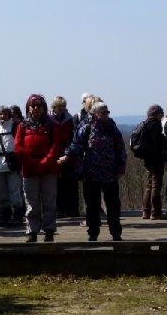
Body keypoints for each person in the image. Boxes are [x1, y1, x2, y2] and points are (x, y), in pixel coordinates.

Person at [62, 102, 126, 241]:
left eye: (107, 112)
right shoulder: (86, 128)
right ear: (95, 114)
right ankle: (93, 233)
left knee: (113, 204)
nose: (105, 115)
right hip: (91, 173)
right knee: (92, 205)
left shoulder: (112, 128)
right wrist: (70, 158)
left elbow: (120, 148)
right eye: (102, 112)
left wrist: (121, 168)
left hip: (110, 173)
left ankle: (116, 232)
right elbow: (76, 146)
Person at [14, 94, 61, 242]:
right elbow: (17, 147)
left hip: (48, 168)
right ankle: (32, 231)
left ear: (44, 107)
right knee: (31, 202)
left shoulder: (51, 124)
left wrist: (46, 161)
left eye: (39, 105)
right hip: (29, 169)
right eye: (33, 105)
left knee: (49, 201)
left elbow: (56, 145)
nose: (36, 108)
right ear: (28, 107)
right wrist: (31, 162)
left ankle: (49, 231)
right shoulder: (22, 125)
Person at [0, 106, 24, 227]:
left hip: (12, 166)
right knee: (1, 193)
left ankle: (18, 216)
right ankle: (5, 216)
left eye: (5, 114)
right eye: (0, 114)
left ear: (9, 115)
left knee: (15, 192)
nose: (3, 116)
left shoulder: (15, 128)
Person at [50, 96, 79, 218]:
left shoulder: (70, 120)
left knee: (71, 183)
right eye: (59, 106)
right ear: (54, 107)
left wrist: (67, 153)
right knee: (56, 184)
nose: (62, 109)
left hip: (69, 155)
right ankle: (58, 210)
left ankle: (72, 209)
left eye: (63, 106)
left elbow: (74, 138)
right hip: (53, 155)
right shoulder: (48, 120)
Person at [140, 104, 167, 220]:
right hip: (156, 159)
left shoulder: (146, 124)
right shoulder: (155, 125)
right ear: (157, 114)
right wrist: (165, 157)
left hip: (148, 159)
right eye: (161, 114)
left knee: (149, 185)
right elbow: (158, 144)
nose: (162, 116)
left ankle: (146, 211)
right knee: (156, 186)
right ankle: (155, 212)